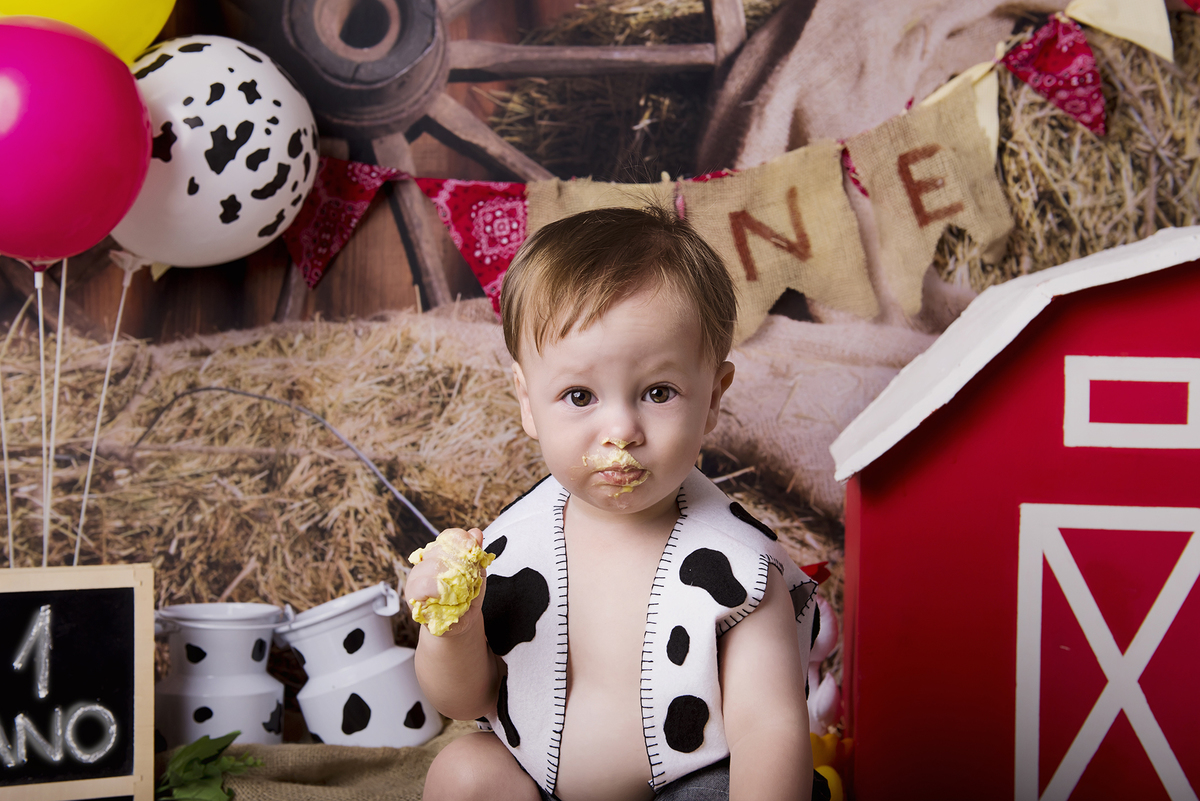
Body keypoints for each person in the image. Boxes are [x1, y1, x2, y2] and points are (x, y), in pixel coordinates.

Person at [406, 206, 818, 801]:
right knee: (464, 771)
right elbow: (464, 700)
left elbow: (768, 728)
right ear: (527, 401)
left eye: (658, 392)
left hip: (681, 787)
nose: (620, 428)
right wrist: (453, 628)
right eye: (579, 395)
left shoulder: (737, 572)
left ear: (712, 399)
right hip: (541, 787)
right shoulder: (510, 548)